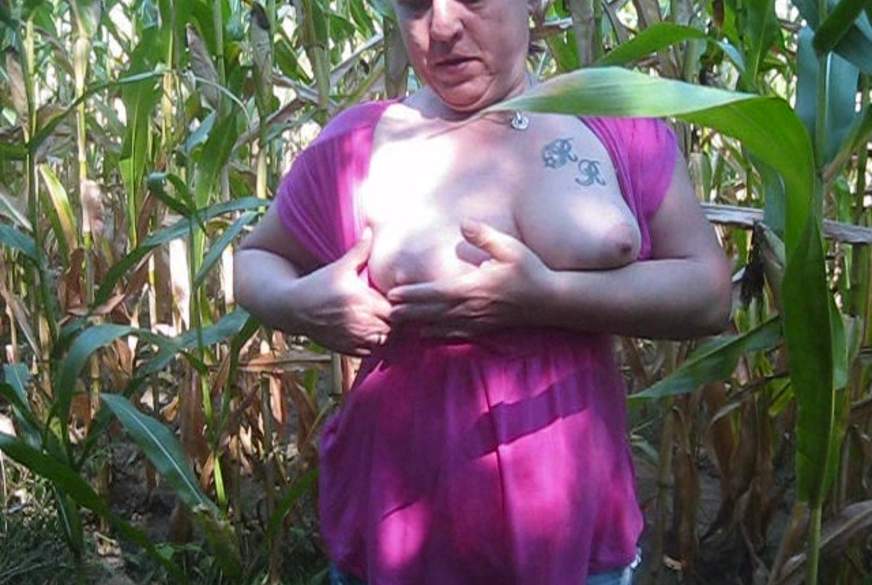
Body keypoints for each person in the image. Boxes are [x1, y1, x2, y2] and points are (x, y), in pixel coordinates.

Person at [234, 0, 733, 583]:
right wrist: (298, 305)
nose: (442, 26)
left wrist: (545, 297)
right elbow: (254, 260)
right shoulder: (358, 145)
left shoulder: (615, 123)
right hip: (401, 535)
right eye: (416, 4)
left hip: (578, 534)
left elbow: (708, 295)